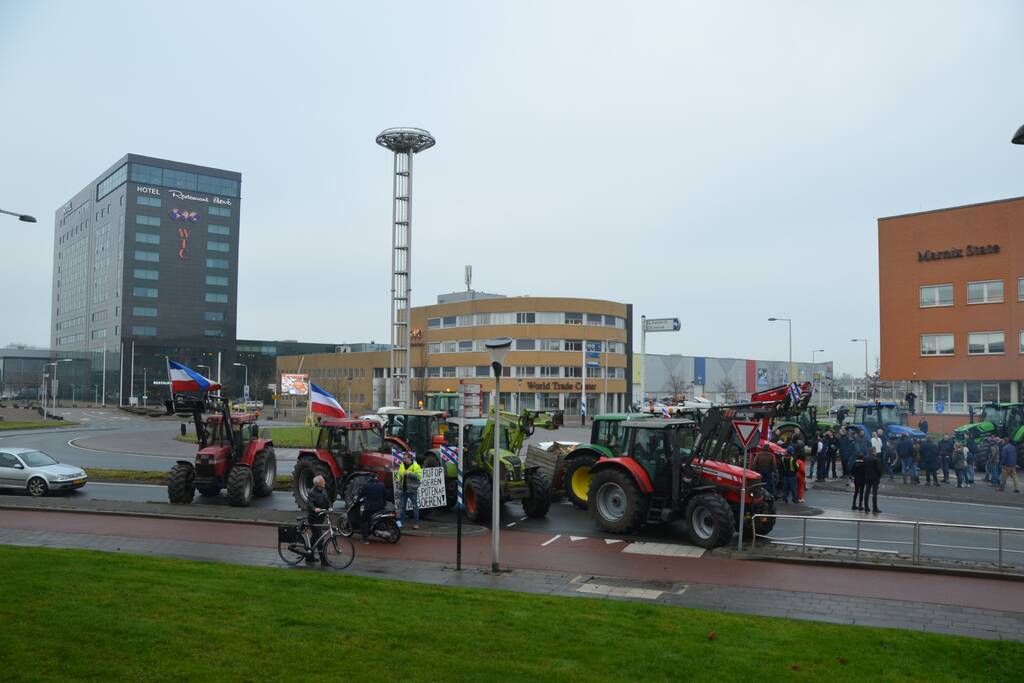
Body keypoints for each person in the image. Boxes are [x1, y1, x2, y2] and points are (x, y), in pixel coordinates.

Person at [306, 475, 333, 567]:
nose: (324, 485)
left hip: (321, 517)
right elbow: (309, 503)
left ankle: (309, 556)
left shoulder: (323, 490)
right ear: (318, 485)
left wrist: (330, 507)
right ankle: (323, 560)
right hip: (314, 518)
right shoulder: (312, 493)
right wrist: (314, 509)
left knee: (315, 537)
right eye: (322, 484)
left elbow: (328, 500)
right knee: (320, 539)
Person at [397, 451, 423, 528]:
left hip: (412, 490)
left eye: (405, 458)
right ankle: (401, 524)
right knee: (402, 507)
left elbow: (419, 477)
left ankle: (416, 524)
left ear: (409, 458)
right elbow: (399, 476)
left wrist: (409, 474)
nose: (403, 460)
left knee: (415, 507)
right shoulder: (402, 465)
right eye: (403, 458)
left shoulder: (416, 466)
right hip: (404, 490)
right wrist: (399, 486)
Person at [358, 476, 387, 544]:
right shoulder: (382, 485)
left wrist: (359, 497)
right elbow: (385, 496)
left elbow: (361, 494)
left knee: (364, 521)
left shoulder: (367, 485)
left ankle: (365, 539)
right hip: (380, 507)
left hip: (370, 508)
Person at [863, 447, 883, 514]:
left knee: (867, 492)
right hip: (875, 478)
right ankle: (874, 508)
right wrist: (879, 476)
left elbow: (864, 468)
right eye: (875, 451)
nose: (876, 452)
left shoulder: (865, 458)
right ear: (873, 451)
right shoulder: (876, 459)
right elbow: (879, 470)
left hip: (867, 477)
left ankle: (866, 507)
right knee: (874, 493)